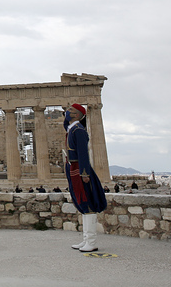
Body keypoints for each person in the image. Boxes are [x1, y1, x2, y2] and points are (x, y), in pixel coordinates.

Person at [64, 103, 107, 253]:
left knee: (87, 203)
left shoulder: (79, 131)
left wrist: (84, 173)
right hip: (74, 169)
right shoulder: (72, 129)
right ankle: (86, 240)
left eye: (70, 110)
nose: (66, 112)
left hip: (81, 171)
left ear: (77, 115)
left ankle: (91, 241)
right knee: (82, 203)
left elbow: (83, 153)